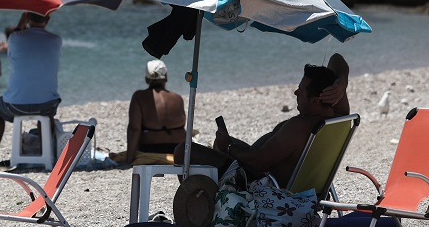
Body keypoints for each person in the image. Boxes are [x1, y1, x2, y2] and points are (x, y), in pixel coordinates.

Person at [176, 62, 341, 188]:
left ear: (314, 100)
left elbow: (257, 162)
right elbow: (338, 61)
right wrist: (342, 82)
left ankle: (200, 210)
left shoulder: (300, 126)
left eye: (300, 90)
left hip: (257, 185)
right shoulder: (336, 118)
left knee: (183, 151)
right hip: (267, 172)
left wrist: (229, 148)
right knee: (219, 143)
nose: (295, 93)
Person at [0, 12, 62, 168]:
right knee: (47, 113)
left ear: (27, 18)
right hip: (47, 105)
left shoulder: (15, 38)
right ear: (48, 19)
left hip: (15, 107)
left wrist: (23, 18)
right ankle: (47, 156)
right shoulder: (56, 40)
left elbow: (17, 34)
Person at [124, 59, 187, 164]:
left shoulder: (139, 97)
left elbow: (134, 129)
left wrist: (129, 160)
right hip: (177, 149)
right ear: (166, 77)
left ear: (146, 79)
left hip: (150, 148)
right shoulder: (177, 98)